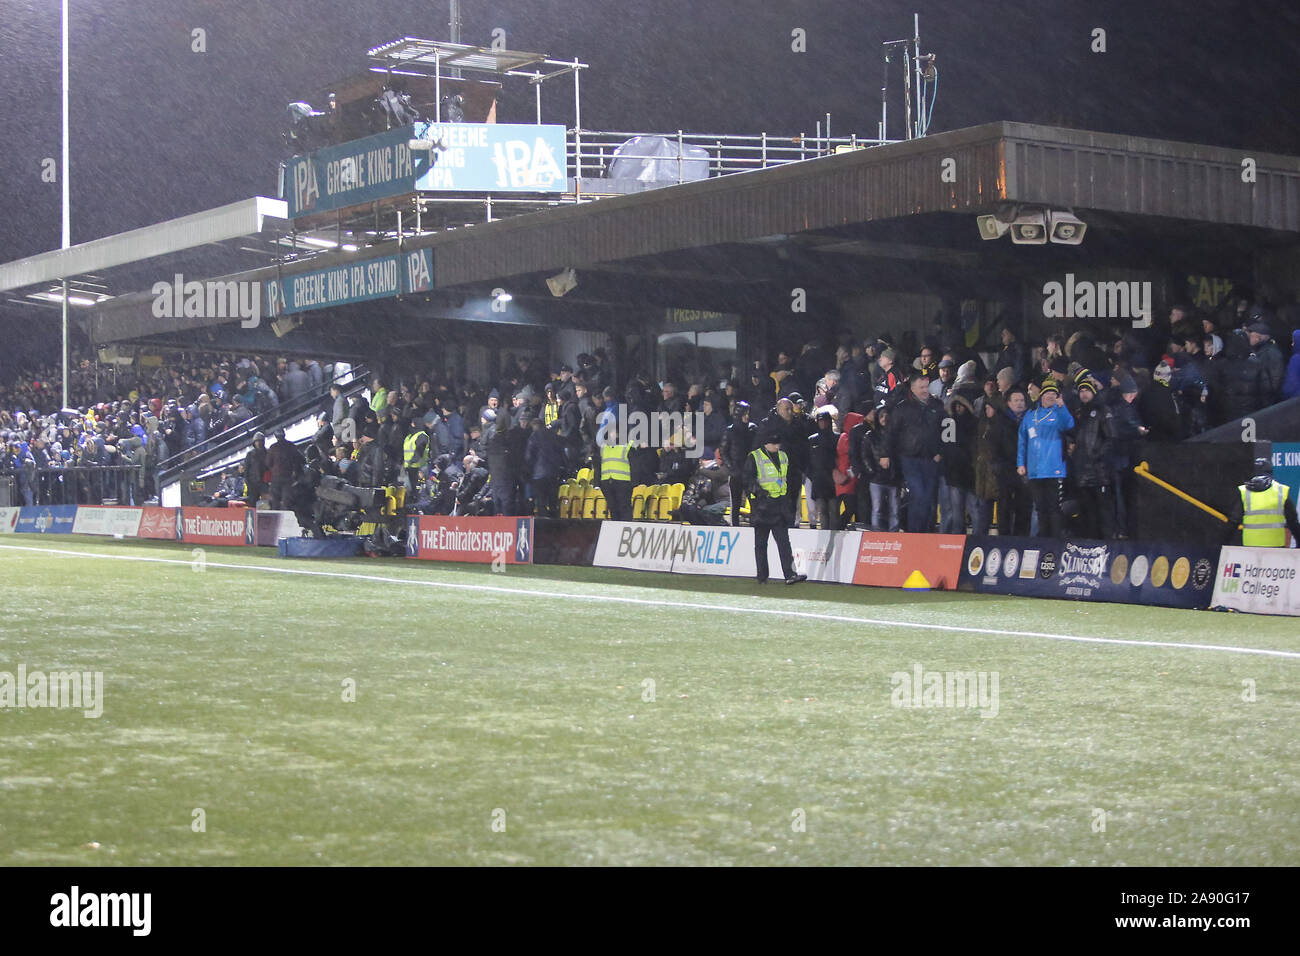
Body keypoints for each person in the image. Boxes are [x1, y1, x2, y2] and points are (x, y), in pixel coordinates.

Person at [881, 374, 944, 533]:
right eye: (921, 388)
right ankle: (915, 532)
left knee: (928, 498)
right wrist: (885, 454)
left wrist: (940, 452)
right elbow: (890, 432)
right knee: (918, 495)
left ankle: (923, 531)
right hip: (910, 458)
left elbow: (945, 430)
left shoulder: (937, 405)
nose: (924, 391)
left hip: (931, 459)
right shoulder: (903, 408)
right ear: (913, 389)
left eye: (926, 387)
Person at [743, 424, 806, 585]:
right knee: (761, 544)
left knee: (784, 542)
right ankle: (762, 576)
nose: (777, 446)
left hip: (779, 505)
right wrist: (760, 493)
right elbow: (748, 480)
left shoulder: (783, 456)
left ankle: (790, 574)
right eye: (774, 444)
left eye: (778, 444)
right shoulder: (754, 457)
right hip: (762, 506)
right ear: (766, 443)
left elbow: (787, 479)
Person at [1017, 379, 1075, 538]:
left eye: (1054, 394)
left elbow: (1069, 425)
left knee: (1054, 507)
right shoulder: (1030, 415)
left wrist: (1062, 406)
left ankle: (1055, 540)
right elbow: (1022, 441)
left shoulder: (1058, 413)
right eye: (1048, 393)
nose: (1050, 396)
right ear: (1041, 395)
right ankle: (1043, 540)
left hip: (1054, 469)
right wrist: (1020, 463)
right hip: (1035, 470)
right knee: (1040, 507)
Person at [1225, 455, 1300, 546]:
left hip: (1251, 547)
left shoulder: (1244, 492)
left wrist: (1224, 543)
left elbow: (1233, 522)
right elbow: (1292, 521)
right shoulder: (1281, 491)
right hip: (1276, 546)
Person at [720, 400, 757, 526]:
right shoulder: (730, 431)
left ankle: (755, 527)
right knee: (735, 503)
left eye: (748, 413)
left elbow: (757, 449)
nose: (747, 416)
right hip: (736, 472)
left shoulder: (753, 429)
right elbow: (723, 451)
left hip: (750, 472)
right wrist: (731, 466)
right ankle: (735, 527)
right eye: (744, 413)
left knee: (753, 501)